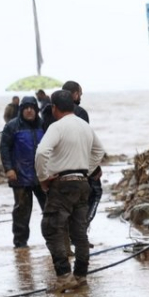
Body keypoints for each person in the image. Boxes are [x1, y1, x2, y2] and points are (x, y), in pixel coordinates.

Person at [36, 90, 105, 291]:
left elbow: (41, 152)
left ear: (54, 108)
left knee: (51, 228)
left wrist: (43, 178)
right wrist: (87, 170)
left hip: (62, 184)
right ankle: (80, 276)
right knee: (79, 232)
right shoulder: (85, 126)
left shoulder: (56, 127)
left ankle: (64, 276)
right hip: (83, 183)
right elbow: (99, 150)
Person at [40, 80, 101, 223]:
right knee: (95, 193)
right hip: (78, 169)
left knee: (60, 211)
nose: (81, 97)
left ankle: (72, 229)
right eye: (80, 94)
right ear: (74, 94)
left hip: (54, 171)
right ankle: (84, 226)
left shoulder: (47, 114)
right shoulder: (79, 113)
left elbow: (43, 148)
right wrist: (93, 168)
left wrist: (43, 176)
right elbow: (88, 144)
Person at [0, 96, 47, 248]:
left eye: (32, 107)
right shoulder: (12, 126)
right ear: (21, 110)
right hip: (20, 176)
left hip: (42, 176)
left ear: (36, 110)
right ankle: (20, 243)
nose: (29, 110)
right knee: (21, 212)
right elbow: (4, 148)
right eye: (26, 108)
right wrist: (9, 169)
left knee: (50, 208)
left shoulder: (43, 124)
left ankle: (53, 240)